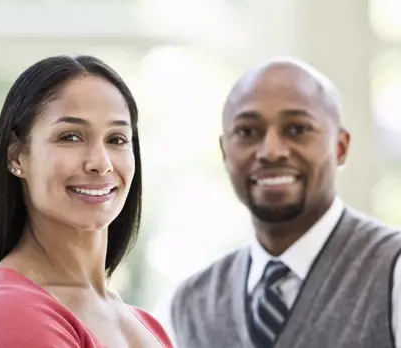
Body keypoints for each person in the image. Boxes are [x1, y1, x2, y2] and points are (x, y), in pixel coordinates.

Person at [163, 59, 401, 348]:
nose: (271, 151)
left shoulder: (392, 269)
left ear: (340, 148)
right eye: (248, 132)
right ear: (225, 151)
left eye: (297, 129)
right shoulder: (192, 303)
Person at [0, 55, 173, 348]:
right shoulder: (8, 311)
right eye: (70, 137)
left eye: (117, 139)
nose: (101, 163)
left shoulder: (145, 323)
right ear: (16, 155)